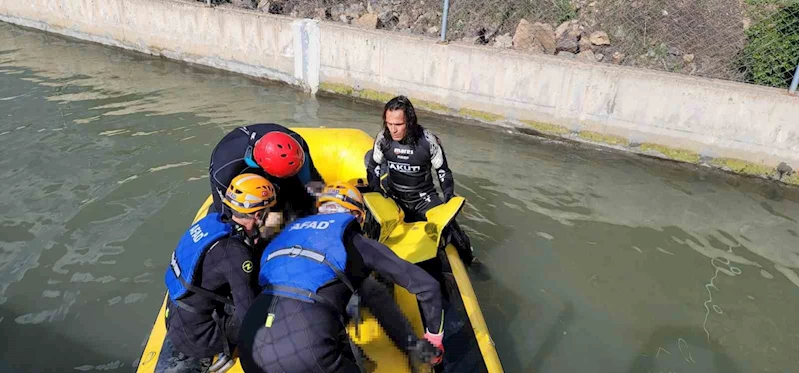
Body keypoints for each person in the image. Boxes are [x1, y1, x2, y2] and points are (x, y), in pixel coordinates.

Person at [238, 182, 446, 373]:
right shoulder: (352, 240)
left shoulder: (285, 234)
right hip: (306, 348)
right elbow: (427, 287)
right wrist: (433, 339)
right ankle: (411, 347)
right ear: (357, 216)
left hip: (249, 344)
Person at [163, 173, 281, 364]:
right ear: (258, 215)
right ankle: (224, 347)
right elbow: (248, 315)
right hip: (200, 338)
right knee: (274, 303)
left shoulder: (212, 223)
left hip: (177, 317)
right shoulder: (236, 254)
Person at [365, 95, 474, 266]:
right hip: (394, 199)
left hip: (423, 199)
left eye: (398, 125)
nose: (393, 130)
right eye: (389, 123)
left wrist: (448, 196)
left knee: (454, 232)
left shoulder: (428, 140)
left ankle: (471, 262)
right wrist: (376, 189)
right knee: (371, 227)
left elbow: (443, 171)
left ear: (409, 121)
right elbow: (373, 168)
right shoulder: (383, 139)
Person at [209, 123, 324, 219]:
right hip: (240, 165)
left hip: (280, 161)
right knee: (228, 217)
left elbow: (312, 182)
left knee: (309, 194)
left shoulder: (297, 142)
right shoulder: (224, 172)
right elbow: (228, 213)